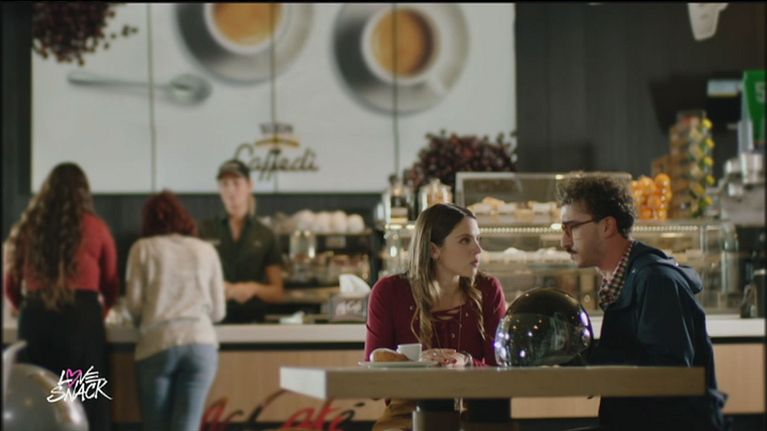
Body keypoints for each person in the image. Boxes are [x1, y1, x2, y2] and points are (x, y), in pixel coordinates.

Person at [557, 175, 729, 431]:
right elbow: (634, 357)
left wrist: (590, 361)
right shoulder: (624, 280)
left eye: (572, 228)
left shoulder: (655, 280)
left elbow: (668, 375)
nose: (564, 242)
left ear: (607, 226)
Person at [364, 203, 507, 431]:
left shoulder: (488, 289)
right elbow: (373, 385)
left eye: (478, 239)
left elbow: (502, 373)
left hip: (473, 414)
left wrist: (466, 361)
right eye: (465, 240)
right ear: (433, 250)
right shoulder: (389, 292)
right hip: (407, 416)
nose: (478, 250)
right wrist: (413, 366)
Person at [4, 162, 118, 431]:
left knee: (40, 396)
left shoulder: (29, 228)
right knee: (86, 398)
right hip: (81, 323)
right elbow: (111, 284)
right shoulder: (97, 227)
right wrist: (99, 313)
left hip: (37, 320)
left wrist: (25, 307)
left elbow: (10, 284)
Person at [125, 190, 226, 431]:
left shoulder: (142, 248)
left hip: (158, 343)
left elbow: (134, 306)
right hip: (200, 343)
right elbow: (218, 312)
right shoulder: (206, 249)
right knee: (186, 426)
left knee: (156, 426)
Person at [198, 159, 284, 323]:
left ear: (249, 185)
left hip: (254, 323)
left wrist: (252, 288)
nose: (230, 190)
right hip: (212, 322)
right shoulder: (204, 230)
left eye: (236, 183)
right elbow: (191, 282)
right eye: (224, 184)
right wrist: (219, 287)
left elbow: (277, 293)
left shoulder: (266, 234)